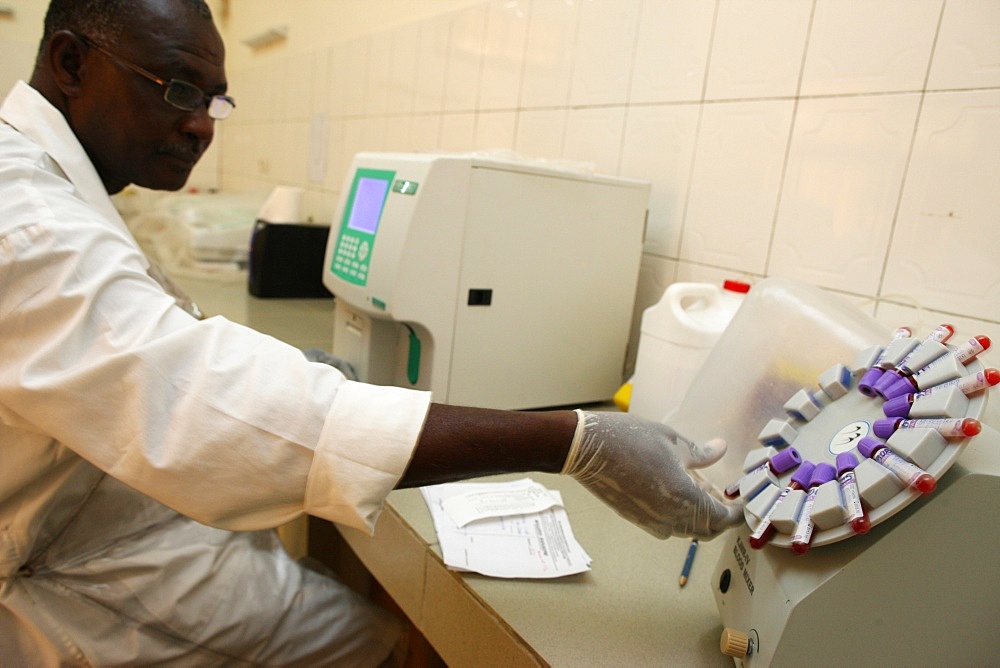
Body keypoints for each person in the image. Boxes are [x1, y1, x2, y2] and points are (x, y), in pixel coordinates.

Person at [0, 0, 742, 664]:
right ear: (71, 62)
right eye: (177, 89)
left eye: (213, 100)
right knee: (380, 644)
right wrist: (577, 442)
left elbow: (142, 342)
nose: (199, 124)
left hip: (107, 519)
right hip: (67, 581)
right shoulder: (26, 215)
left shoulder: (47, 181)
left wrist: (301, 368)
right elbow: (193, 400)